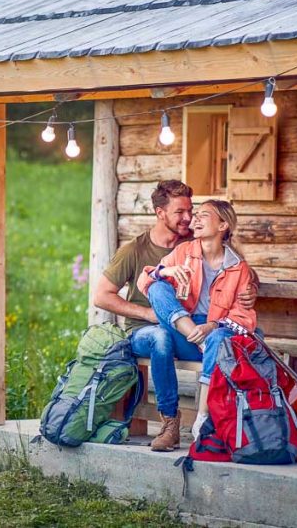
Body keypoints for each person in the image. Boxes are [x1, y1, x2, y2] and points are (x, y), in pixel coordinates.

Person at [91, 181, 257, 452]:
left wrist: (251, 290)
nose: (189, 218)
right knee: (160, 334)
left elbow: (236, 269)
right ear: (160, 213)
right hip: (147, 329)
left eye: (192, 212)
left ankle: (212, 421)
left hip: (185, 329)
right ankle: (170, 423)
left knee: (220, 337)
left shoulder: (192, 245)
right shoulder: (135, 251)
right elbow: (101, 296)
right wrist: (150, 310)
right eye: (181, 212)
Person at [137, 199, 257, 443]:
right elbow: (145, 281)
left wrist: (211, 326)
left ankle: (203, 419)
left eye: (204, 215)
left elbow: (244, 318)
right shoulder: (184, 252)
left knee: (218, 338)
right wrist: (164, 272)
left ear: (223, 225)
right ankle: (170, 424)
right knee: (158, 290)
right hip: (185, 331)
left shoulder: (238, 268)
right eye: (197, 215)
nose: (196, 219)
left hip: (212, 334)